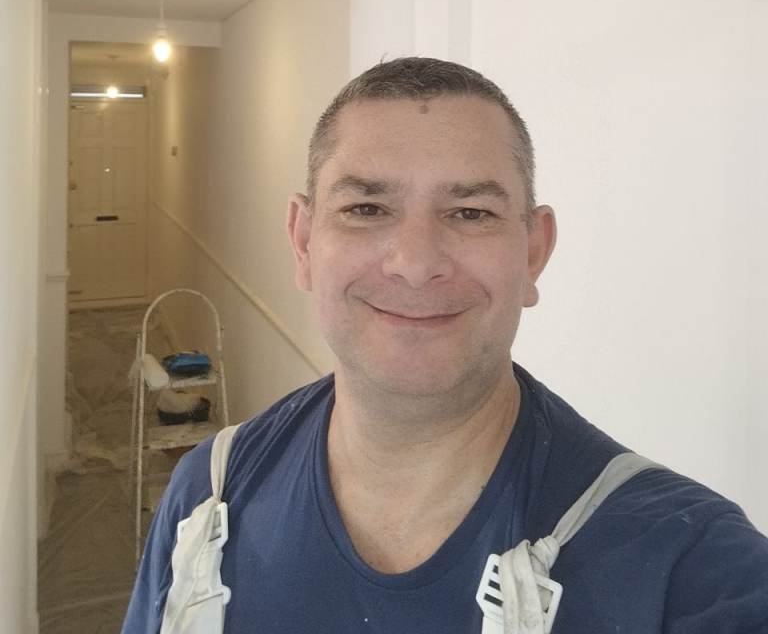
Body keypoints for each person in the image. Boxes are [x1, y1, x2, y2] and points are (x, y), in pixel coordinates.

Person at [122, 56, 768, 633]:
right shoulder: (207, 495)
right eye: (367, 209)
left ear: (533, 253)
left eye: (470, 213)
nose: (415, 263)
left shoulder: (692, 568)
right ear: (303, 241)